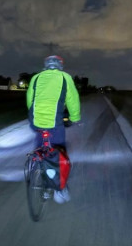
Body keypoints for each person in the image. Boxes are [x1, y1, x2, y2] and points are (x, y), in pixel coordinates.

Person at [27, 54, 81, 203]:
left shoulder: (36, 78)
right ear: (60, 66)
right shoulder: (65, 77)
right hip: (55, 123)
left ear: (46, 66)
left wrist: (35, 117)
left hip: (35, 121)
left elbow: (29, 99)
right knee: (59, 152)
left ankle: (35, 168)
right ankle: (59, 189)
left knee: (40, 146)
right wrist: (74, 118)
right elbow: (72, 100)